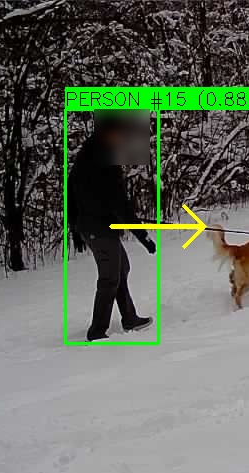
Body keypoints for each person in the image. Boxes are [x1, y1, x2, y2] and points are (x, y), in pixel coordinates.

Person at [67, 111, 156, 342]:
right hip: (99, 228)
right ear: (108, 132)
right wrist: (142, 236)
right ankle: (97, 332)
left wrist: (74, 226)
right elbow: (120, 204)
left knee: (121, 269)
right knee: (109, 278)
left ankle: (129, 318)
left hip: (95, 225)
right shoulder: (103, 159)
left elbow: (71, 191)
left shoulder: (88, 153)